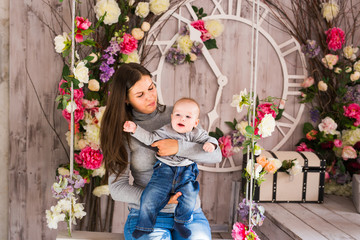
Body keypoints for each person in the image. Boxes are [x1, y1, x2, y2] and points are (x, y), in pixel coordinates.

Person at [100, 63, 222, 240]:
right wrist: (161, 199)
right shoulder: (125, 130)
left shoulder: (180, 114)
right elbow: (117, 188)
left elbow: (215, 155)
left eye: (151, 88)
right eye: (140, 95)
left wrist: (178, 147)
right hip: (147, 216)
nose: (150, 97)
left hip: (189, 214)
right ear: (126, 99)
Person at [123, 98, 218, 239]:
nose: (182, 119)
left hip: (186, 171)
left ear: (195, 122)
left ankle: (181, 223)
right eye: (178, 115)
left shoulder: (196, 133)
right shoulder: (165, 130)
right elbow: (150, 138)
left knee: (189, 197)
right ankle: (144, 225)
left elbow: (211, 142)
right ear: (172, 117)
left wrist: (211, 144)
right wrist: (135, 130)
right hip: (164, 170)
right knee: (151, 195)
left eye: (188, 117)